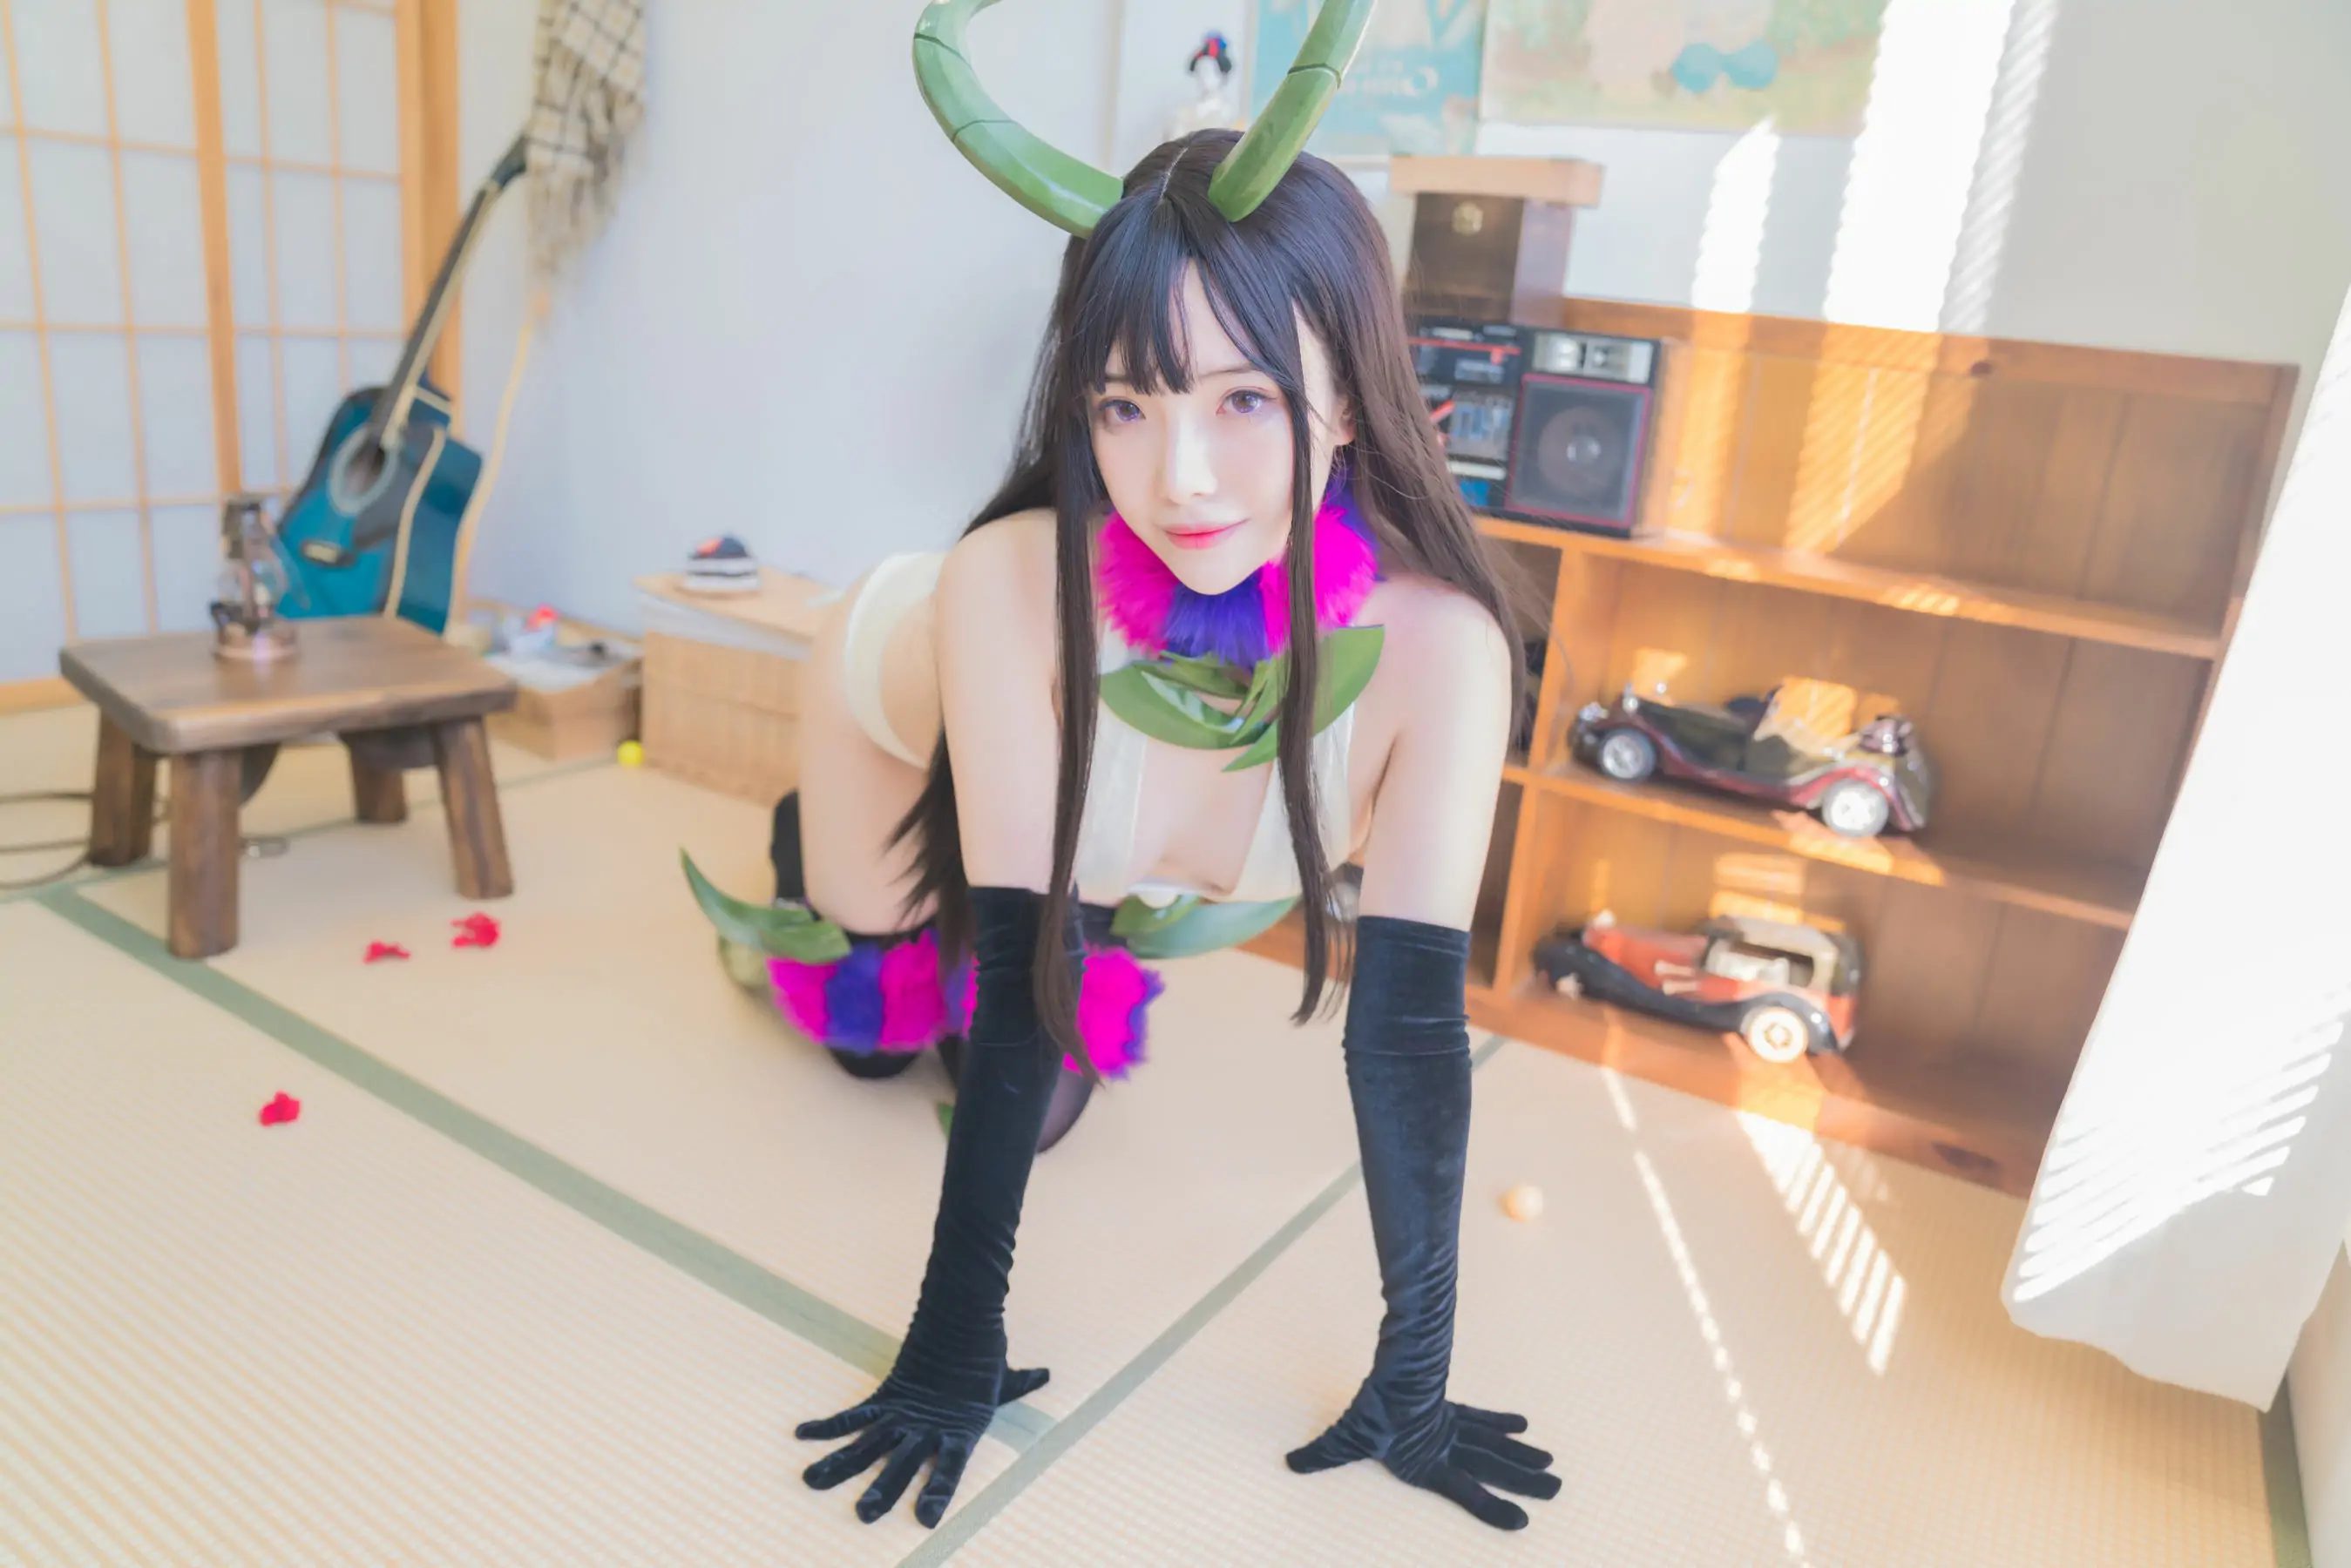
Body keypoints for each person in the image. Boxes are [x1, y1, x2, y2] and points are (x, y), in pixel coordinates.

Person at [780, 0, 1561, 1533]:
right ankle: (806, 846)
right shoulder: (1009, 585)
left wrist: (1413, 1378)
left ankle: (1040, 878)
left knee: (1035, 1086)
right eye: (1124, 405)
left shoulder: (1442, 655)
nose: (1177, 477)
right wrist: (951, 1341)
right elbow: (1019, 980)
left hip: (1075, 829)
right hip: (885, 693)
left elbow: (1408, 1033)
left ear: (1350, 396)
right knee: (877, 1021)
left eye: (1242, 399)